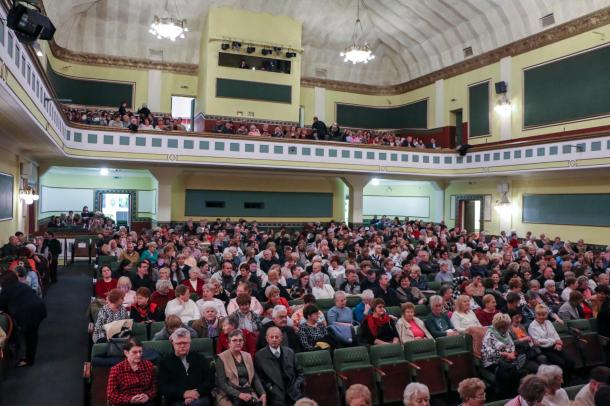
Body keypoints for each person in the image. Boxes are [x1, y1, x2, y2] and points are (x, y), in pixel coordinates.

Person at [0, 271, 47, 366]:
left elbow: (1, 306)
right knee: (32, 335)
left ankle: (28, 360)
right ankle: (28, 357)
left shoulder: (6, 290)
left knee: (30, 336)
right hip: (39, 308)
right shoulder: (21, 285)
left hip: (28, 313)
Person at [158, 328, 213, 406]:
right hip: (176, 398)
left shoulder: (200, 358)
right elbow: (163, 386)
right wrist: (184, 394)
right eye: (179, 343)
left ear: (190, 343)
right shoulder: (165, 361)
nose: (182, 346)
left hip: (200, 396)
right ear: (173, 343)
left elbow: (209, 381)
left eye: (185, 343)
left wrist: (197, 392)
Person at [214, 329, 267, 406]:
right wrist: (239, 394)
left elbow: (254, 377)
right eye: (234, 340)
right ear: (228, 343)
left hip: (246, 390)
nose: (238, 343)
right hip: (228, 393)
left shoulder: (247, 356)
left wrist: (262, 393)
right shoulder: (221, 358)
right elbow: (222, 383)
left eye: (240, 340)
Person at [255, 326, 304, 406]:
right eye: (271, 337)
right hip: (275, 397)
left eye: (277, 337)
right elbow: (260, 379)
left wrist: (296, 385)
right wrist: (271, 388)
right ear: (267, 339)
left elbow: (300, 373)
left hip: (294, 394)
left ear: (281, 338)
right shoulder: (260, 356)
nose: (274, 339)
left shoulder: (289, 352)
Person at [481, 313, 522, 399]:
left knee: (516, 373)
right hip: (492, 361)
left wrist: (511, 353)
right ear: (499, 327)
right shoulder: (490, 334)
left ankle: (515, 398)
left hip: (507, 359)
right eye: (505, 327)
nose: (507, 328)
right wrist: (505, 354)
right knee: (504, 375)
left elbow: (512, 345)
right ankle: (504, 399)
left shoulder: (505, 332)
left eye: (507, 326)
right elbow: (489, 353)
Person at [106, 338, 156, 405]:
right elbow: (111, 395)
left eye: (140, 351)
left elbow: (154, 387)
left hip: (145, 402)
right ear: (126, 353)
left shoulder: (148, 365)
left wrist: (148, 395)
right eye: (134, 352)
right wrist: (130, 399)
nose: (139, 355)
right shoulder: (116, 370)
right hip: (126, 402)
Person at [528, 305, 570, 369]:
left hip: (554, 345)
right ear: (535, 315)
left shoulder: (548, 322)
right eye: (539, 315)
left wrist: (558, 343)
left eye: (543, 314)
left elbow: (555, 334)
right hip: (544, 349)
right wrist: (554, 341)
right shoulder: (532, 326)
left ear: (547, 314)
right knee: (560, 362)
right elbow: (538, 341)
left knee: (569, 361)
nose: (541, 317)